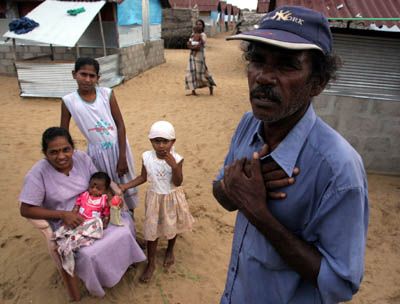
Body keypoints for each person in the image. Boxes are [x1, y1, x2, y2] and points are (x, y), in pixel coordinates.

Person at [213, 6, 369, 304]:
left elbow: (340, 285)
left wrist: (260, 214)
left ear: (318, 83)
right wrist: (233, 185)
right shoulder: (249, 125)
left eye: (286, 66)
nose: (264, 78)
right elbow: (221, 194)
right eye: (257, 60)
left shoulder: (339, 170)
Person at [19, 127, 146, 300]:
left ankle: (122, 264)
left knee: (124, 225)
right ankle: (100, 280)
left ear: (73, 148)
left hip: (96, 210)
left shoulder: (82, 158)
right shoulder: (38, 173)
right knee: (88, 254)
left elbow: (100, 182)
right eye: (53, 152)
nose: (61, 156)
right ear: (45, 153)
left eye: (66, 149)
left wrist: (110, 200)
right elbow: (26, 209)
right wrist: (63, 215)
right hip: (69, 220)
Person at [60, 57, 139, 214]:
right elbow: (63, 133)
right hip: (97, 154)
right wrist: (68, 157)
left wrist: (122, 156)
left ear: (98, 78)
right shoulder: (68, 101)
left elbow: (120, 125)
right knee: (104, 190)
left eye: (92, 76)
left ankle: (130, 222)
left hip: (119, 148)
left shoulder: (107, 94)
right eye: (83, 74)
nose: (88, 80)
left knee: (125, 189)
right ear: (74, 74)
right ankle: (112, 224)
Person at [119, 121, 194, 283]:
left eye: (165, 141)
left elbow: (178, 182)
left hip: (172, 198)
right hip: (154, 199)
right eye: (156, 141)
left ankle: (170, 250)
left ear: (173, 142)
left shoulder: (178, 159)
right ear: (150, 141)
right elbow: (143, 177)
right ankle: (151, 262)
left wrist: (174, 166)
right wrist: (126, 185)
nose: (161, 146)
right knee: (152, 231)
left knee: (172, 225)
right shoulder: (147, 157)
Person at [185, 19, 216, 96]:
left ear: (203, 26)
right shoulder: (192, 34)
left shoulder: (203, 35)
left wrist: (193, 45)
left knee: (201, 73)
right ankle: (193, 91)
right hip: (192, 56)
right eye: (197, 24)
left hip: (200, 57)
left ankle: (210, 86)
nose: (198, 25)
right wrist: (192, 46)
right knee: (191, 73)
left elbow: (199, 45)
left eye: (200, 24)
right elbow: (189, 43)